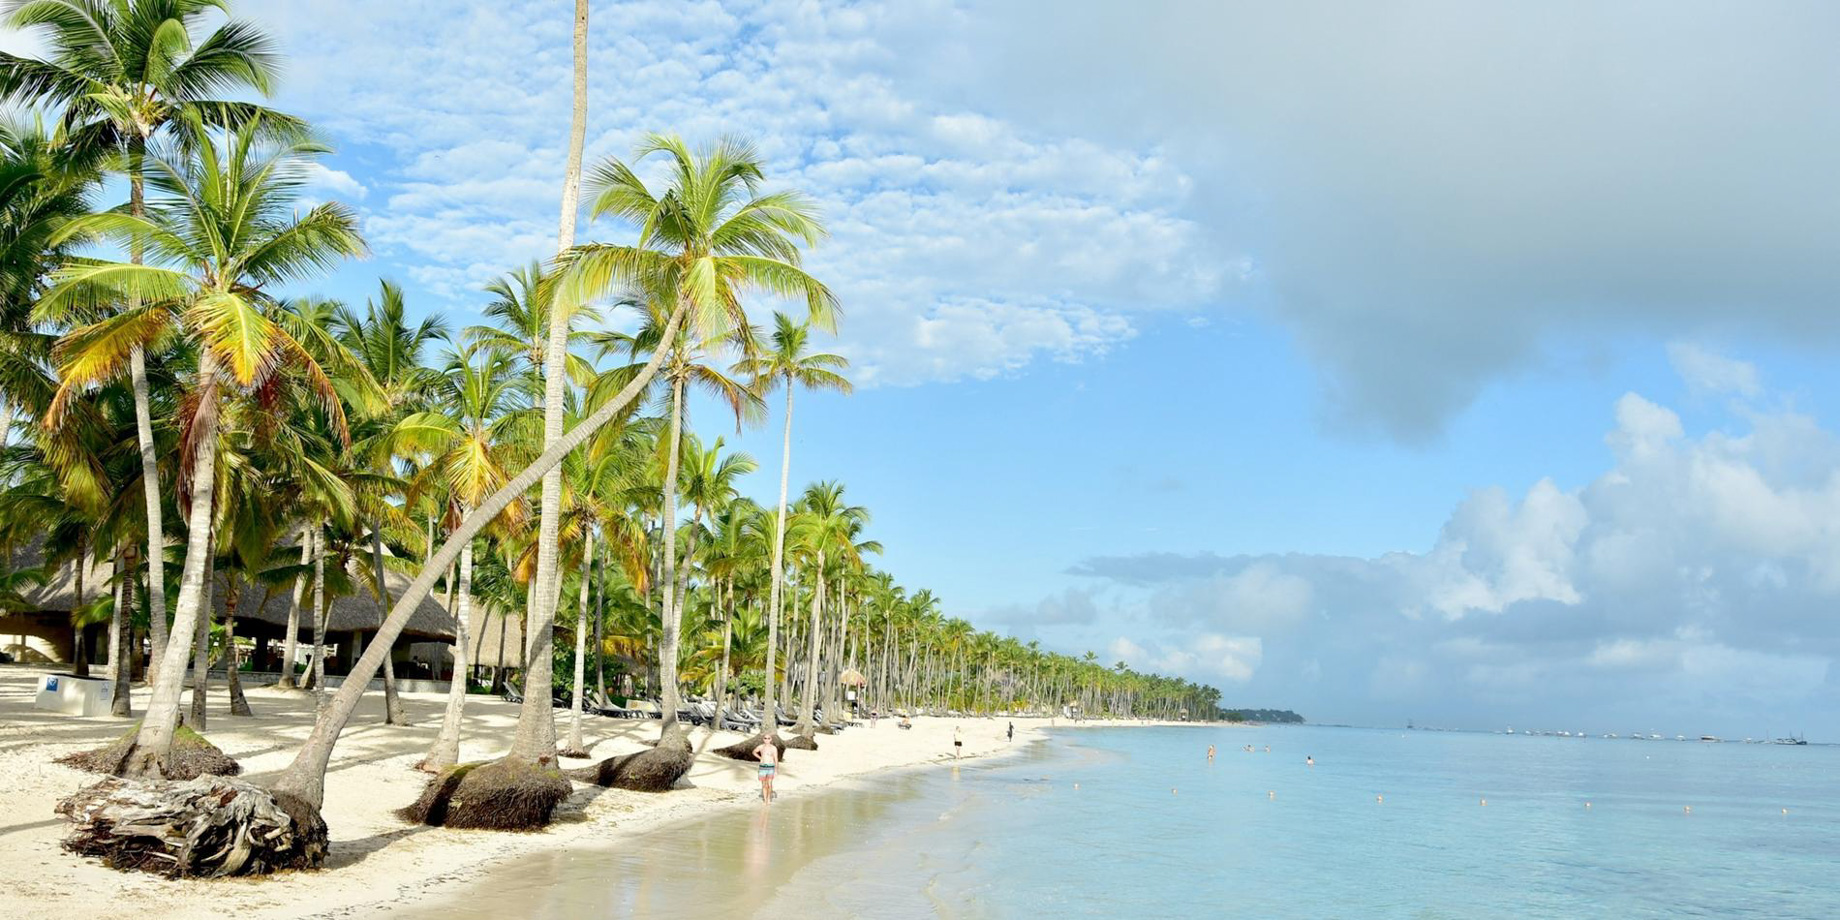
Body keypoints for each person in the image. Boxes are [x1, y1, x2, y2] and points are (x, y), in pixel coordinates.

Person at [753, 736, 780, 803]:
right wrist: (760, 758)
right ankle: (765, 800)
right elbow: (754, 752)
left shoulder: (773, 748)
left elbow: (776, 759)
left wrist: (776, 770)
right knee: (764, 785)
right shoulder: (761, 747)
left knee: (769, 785)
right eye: (765, 738)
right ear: (763, 739)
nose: (767, 739)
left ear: (771, 739)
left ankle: (768, 799)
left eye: (768, 738)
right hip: (762, 767)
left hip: (771, 767)